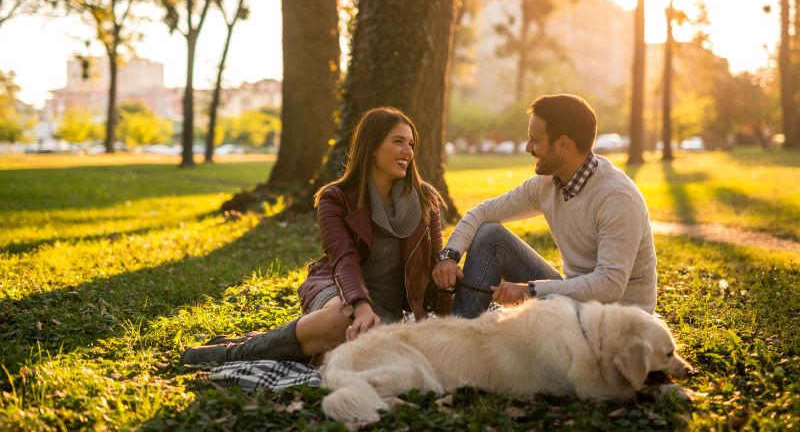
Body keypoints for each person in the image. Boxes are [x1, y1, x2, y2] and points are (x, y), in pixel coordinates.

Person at [180, 107, 447, 365]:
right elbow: (344, 259)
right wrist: (361, 304)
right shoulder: (336, 198)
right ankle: (233, 353)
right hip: (338, 287)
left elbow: (435, 264)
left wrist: (449, 272)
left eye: (411, 144)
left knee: (342, 351)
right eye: (398, 141)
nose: (408, 152)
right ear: (372, 145)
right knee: (342, 322)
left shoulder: (425, 200)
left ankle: (259, 341)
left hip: (387, 306)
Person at [432, 94, 657, 317]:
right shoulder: (547, 184)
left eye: (535, 140)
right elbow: (482, 212)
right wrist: (450, 257)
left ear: (563, 145)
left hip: (619, 318)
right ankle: (461, 328)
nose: (528, 147)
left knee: (540, 309)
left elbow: (609, 285)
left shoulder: (617, 197)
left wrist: (531, 290)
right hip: (571, 300)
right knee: (490, 234)